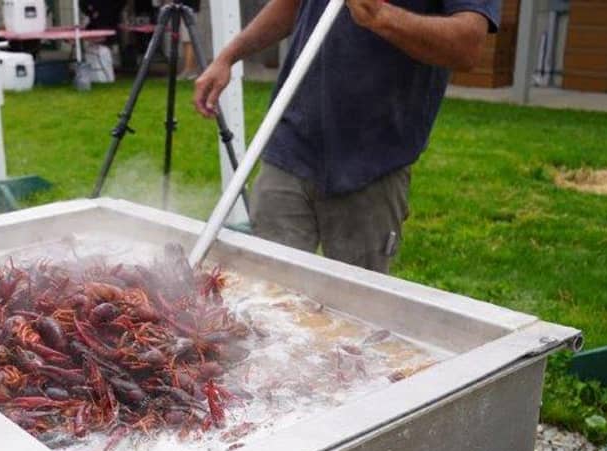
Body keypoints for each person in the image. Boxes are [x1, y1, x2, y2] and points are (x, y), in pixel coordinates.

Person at [194, 0, 497, 272]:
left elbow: (467, 44)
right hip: (291, 142)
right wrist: (229, 55)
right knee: (266, 289)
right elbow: (292, 5)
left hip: (372, 160)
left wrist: (381, 15)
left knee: (357, 307)